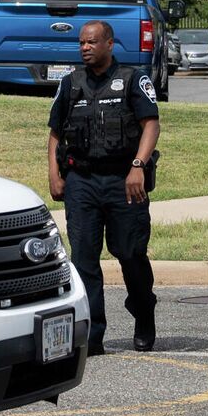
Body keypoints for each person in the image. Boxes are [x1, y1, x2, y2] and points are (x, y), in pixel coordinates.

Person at [48, 20, 161, 355]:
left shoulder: (131, 80)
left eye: (92, 42)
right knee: (83, 259)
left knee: (130, 253)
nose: (85, 47)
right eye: (81, 42)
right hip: (81, 182)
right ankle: (92, 334)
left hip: (123, 180)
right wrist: (55, 174)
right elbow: (55, 134)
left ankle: (143, 312)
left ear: (109, 44)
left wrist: (138, 167)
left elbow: (150, 125)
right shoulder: (70, 84)